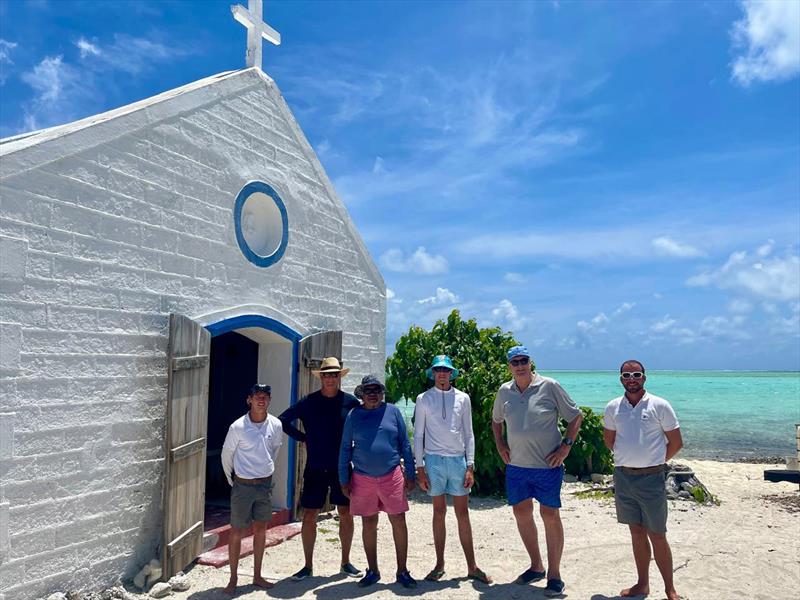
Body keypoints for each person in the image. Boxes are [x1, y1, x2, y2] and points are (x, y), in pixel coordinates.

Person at [491, 346, 583, 597]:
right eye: (514, 362)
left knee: (549, 515)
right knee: (521, 512)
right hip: (517, 466)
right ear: (509, 366)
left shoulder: (549, 385)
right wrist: (500, 445)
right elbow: (496, 420)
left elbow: (576, 416)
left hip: (547, 466)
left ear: (531, 362)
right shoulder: (504, 391)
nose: (519, 365)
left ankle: (554, 574)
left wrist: (566, 447)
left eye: (523, 360)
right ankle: (536, 566)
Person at [603, 360, 683, 600]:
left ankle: (670, 589)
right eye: (626, 375)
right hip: (624, 478)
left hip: (652, 478)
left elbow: (676, 443)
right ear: (621, 379)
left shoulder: (660, 405)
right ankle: (642, 584)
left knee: (657, 534)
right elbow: (610, 441)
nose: (632, 378)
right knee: (636, 532)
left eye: (636, 374)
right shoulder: (613, 407)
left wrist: (655, 461)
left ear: (644, 378)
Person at [278, 357, 361, 580]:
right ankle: (307, 565)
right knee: (310, 514)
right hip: (315, 467)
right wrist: (302, 438)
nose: (330, 378)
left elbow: (365, 425)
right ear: (321, 377)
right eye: (327, 374)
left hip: (341, 468)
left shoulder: (351, 403)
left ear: (339, 377)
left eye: (334, 374)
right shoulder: (308, 402)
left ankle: (345, 562)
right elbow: (283, 420)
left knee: (345, 513)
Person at [413, 355, 492, 584]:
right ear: (433, 373)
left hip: (458, 462)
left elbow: (469, 434)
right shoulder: (424, 398)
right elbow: (419, 435)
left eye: (446, 370)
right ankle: (439, 565)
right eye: (438, 369)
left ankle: (472, 566)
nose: (442, 373)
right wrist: (420, 468)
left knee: (463, 514)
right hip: (435, 462)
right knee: (438, 513)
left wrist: (470, 465)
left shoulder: (463, 398)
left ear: (451, 373)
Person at [338, 375, 417, 589]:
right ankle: (372, 571)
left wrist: (411, 473)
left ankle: (402, 571)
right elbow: (345, 448)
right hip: (362, 478)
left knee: (398, 520)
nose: (372, 394)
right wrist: (344, 479)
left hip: (392, 475)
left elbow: (404, 444)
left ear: (382, 393)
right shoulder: (354, 415)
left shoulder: (393, 412)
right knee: (368, 522)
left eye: (376, 390)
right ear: (362, 394)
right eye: (368, 390)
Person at [220, 384, 284, 594]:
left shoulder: (275, 424)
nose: (261, 400)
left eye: (265, 397)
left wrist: (266, 471)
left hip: (264, 485)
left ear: (269, 400)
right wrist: (234, 481)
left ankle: (257, 575)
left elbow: (274, 450)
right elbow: (226, 455)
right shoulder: (237, 427)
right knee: (236, 531)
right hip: (242, 486)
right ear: (249, 400)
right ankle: (233, 579)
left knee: (260, 530)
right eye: (257, 396)